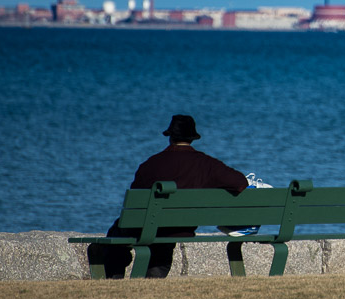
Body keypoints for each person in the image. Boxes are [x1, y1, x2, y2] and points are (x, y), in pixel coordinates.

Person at [96, 115, 248, 278]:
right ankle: (155, 271)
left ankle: (114, 274)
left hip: (148, 226)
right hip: (182, 230)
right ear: (192, 138)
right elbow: (240, 182)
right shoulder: (207, 164)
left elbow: (136, 203)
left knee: (120, 228)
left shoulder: (150, 164)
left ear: (170, 137)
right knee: (164, 235)